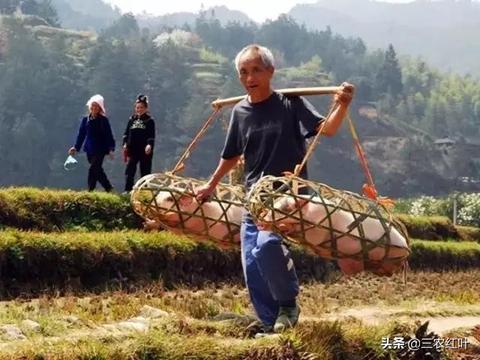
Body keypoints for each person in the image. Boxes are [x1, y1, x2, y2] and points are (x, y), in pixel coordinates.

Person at [196, 44, 354, 335]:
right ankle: (270, 326)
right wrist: (211, 184)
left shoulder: (289, 104)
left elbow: (326, 130)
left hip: (287, 197)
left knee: (267, 246)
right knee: (252, 264)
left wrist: (342, 104)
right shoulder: (240, 112)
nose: (249, 77)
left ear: (270, 72)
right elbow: (231, 154)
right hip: (253, 198)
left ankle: (288, 305)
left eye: (256, 70)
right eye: (244, 72)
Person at [68, 94, 115, 192]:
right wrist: (76, 147)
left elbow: (108, 135)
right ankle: (109, 188)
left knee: (93, 169)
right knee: (98, 170)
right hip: (89, 149)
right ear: (90, 107)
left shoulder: (103, 121)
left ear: (100, 108)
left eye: (96, 106)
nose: (94, 108)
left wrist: (111, 149)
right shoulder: (86, 120)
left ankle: (90, 190)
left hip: (101, 149)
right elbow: (81, 135)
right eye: (92, 106)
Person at [122, 94, 156, 192]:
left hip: (145, 151)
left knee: (145, 172)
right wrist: (125, 144)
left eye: (141, 107)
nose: (139, 110)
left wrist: (149, 145)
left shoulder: (150, 121)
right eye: (137, 107)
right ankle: (128, 191)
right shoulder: (131, 120)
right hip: (133, 150)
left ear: (146, 108)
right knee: (129, 171)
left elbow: (151, 136)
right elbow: (126, 134)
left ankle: (144, 192)